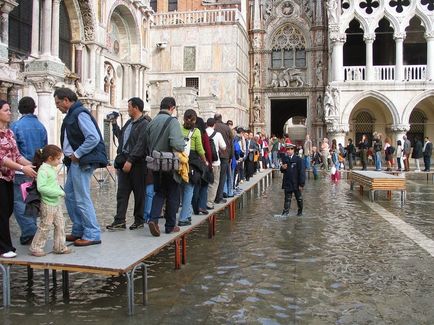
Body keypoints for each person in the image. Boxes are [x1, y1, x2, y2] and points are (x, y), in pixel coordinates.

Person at [54, 87, 108, 246]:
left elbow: (93, 137)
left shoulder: (80, 113)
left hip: (81, 161)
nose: (57, 106)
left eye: (58, 102)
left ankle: (92, 233)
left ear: (66, 100)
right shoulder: (73, 114)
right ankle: (78, 229)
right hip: (75, 162)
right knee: (70, 194)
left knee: (81, 196)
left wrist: (77, 154)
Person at [106, 97, 150, 231]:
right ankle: (119, 220)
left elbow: (141, 144)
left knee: (139, 193)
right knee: (122, 192)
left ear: (136, 107)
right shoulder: (129, 123)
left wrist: (130, 160)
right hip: (124, 160)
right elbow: (122, 139)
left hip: (138, 163)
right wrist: (114, 124)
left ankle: (139, 220)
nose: (128, 108)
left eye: (129, 106)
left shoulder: (145, 123)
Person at [0, 100, 37, 258]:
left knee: (8, 210)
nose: (10, 112)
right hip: (0, 176)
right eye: (6, 110)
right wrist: (22, 169)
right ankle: (4, 248)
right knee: (2, 212)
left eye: (9, 110)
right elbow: (2, 158)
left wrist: (32, 165)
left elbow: (16, 155)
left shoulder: (9, 132)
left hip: (9, 177)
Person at [10, 96, 47, 245]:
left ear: (19, 109)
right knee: (32, 200)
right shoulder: (41, 126)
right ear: (34, 108)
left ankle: (29, 232)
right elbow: (44, 149)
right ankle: (32, 231)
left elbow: (13, 151)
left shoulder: (16, 126)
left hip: (21, 171)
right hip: (36, 170)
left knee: (19, 201)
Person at [146, 97, 185, 237]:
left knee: (160, 192)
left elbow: (147, 142)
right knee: (173, 193)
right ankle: (170, 226)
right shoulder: (172, 121)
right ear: (172, 108)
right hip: (169, 163)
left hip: (155, 163)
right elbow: (176, 143)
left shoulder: (152, 121)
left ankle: (153, 219)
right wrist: (183, 145)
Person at [29, 145, 71, 256]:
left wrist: (59, 192)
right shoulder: (43, 170)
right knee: (45, 225)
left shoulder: (51, 169)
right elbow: (41, 188)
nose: (60, 161)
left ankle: (60, 246)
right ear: (50, 158)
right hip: (48, 203)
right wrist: (59, 192)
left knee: (60, 224)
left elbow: (53, 184)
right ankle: (36, 247)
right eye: (58, 159)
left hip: (55, 202)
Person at [179, 109, 207, 226]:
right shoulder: (196, 132)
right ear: (195, 120)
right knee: (189, 188)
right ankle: (183, 217)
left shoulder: (179, 129)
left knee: (181, 188)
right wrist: (204, 161)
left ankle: (188, 213)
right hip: (192, 162)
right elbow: (200, 149)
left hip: (180, 160)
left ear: (184, 118)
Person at [205, 118, 226, 210]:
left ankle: (201, 202)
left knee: (204, 182)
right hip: (215, 162)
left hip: (204, 161)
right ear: (214, 125)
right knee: (214, 182)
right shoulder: (217, 134)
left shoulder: (202, 133)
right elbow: (224, 146)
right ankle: (209, 203)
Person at [280, 143, 305, 216]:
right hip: (288, 182)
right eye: (287, 149)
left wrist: (301, 184)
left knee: (299, 198)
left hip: (296, 183)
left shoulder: (298, 160)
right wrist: (282, 168)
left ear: (293, 150)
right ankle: (285, 213)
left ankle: (300, 213)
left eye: (290, 149)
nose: (288, 151)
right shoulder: (285, 159)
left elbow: (302, 172)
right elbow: (282, 170)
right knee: (287, 199)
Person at [214, 113, 233, 204]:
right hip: (225, 155)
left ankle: (212, 197)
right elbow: (231, 143)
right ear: (221, 118)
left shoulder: (211, 127)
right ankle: (219, 197)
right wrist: (231, 156)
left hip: (214, 155)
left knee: (213, 176)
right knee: (222, 176)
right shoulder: (227, 128)